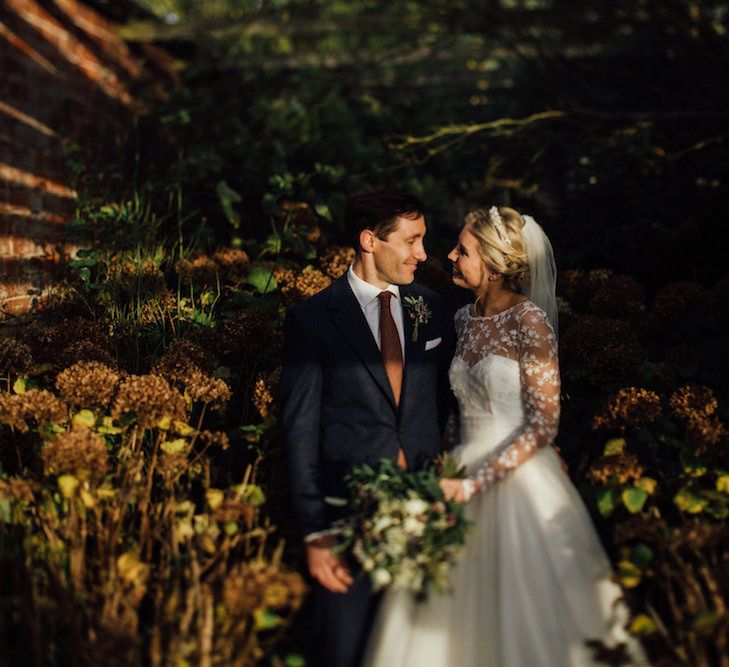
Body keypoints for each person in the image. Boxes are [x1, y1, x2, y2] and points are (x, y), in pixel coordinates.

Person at [363, 206, 647, 666]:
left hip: (518, 481)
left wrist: (474, 483)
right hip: (459, 477)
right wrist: (446, 467)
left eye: (464, 251)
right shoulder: (462, 319)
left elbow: (542, 423)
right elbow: (461, 408)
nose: (450, 256)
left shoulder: (529, 322)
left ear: (493, 267)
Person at [280, 187, 456, 667]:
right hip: (346, 525)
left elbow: (452, 402)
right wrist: (316, 533)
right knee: (345, 652)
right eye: (412, 241)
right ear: (369, 240)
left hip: (427, 521)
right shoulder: (311, 320)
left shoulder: (433, 308)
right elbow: (299, 431)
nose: (423, 254)